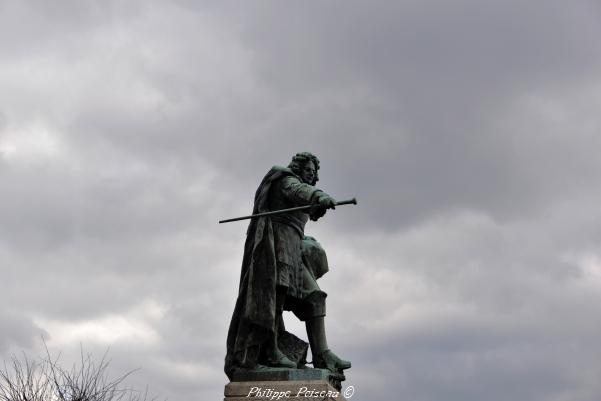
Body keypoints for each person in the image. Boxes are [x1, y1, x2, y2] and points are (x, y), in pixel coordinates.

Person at [225, 152, 351, 379]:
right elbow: (298, 192)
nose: (312, 176)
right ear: (298, 168)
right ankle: (271, 350)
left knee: (314, 296)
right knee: (274, 297)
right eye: (308, 171)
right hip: (275, 247)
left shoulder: (300, 190)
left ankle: (323, 354)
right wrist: (318, 195)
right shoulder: (285, 179)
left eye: (314, 174)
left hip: (293, 250)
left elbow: (307, 205)